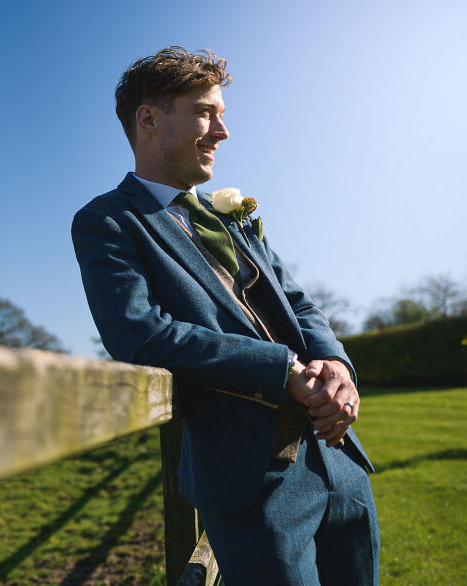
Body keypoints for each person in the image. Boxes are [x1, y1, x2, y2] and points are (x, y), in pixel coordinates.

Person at [71, 46, 380, 585]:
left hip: (339, 462)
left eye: (222, 114)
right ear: (148, 118)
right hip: (253, 483)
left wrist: (336, 365)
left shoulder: (229, 216)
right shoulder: (108, 220)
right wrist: (282, 369)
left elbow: (297, 303)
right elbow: (139, 333)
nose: (222, 131)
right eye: (205, 112)